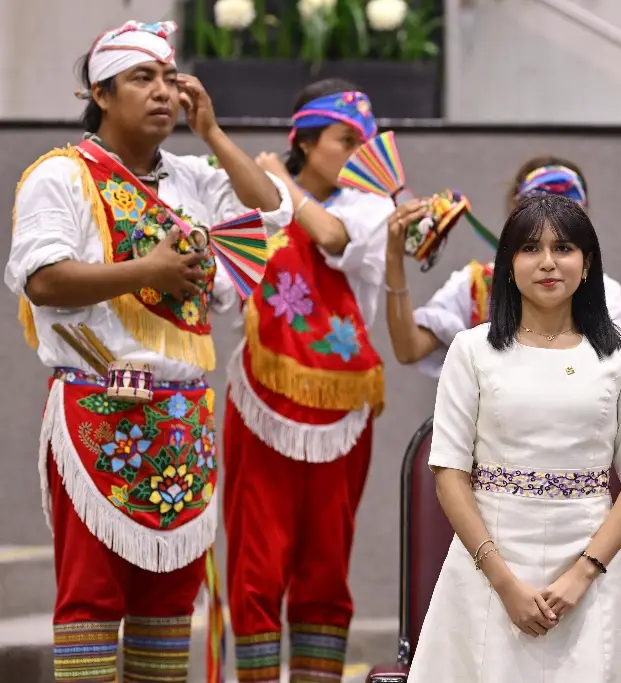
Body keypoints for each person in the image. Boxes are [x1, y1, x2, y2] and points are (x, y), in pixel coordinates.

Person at [4, 20, 291, 683]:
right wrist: (147, 273)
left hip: (183, 423)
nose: (162, 92)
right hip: (99, 410)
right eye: (142, 78)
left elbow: (273, 211)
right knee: (92, 603)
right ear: (99, 93)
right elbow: (43, 280)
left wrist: (214, 131)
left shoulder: (192, 176)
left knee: (167, 610)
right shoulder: (61, 175)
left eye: (169, 79)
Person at [408, 194, 621, 682]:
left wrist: (583, 573)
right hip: (488, 568)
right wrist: (504, 583)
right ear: (507, 266)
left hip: (592, 569)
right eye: (530, 249)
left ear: (587, 265)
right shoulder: (471, 350)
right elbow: (449, 474)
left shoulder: (617, 353)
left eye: (564, 248)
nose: (547, 262)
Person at [221, 79, 395, 682]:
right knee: (257, 564)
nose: (360, 150)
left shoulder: (373, 209)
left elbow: (330, 237)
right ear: (307, 138)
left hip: (342, 410)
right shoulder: (253, 199)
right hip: (261, 404)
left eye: (367, 140)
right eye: (347, 138)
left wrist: (284, 185)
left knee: (325, 568)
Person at [383, 156, 621, 378]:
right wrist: (393, 257)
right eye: (533, 243)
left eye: (564, 242)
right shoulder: (476, 287)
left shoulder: (604, 292)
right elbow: (409, 349)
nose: (548, 261)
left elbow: (619, 374)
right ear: (515, 219)